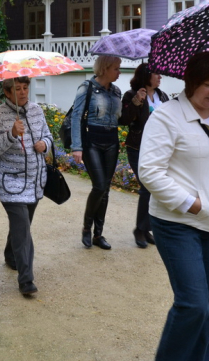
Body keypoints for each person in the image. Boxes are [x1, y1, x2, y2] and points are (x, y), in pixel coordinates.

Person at [138, 51, 209, 361]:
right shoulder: (166, 117)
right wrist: (192, 204)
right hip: (177, 224)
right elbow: (149, 172)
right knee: (193, 305)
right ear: (191, 82)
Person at [0, 77, 53, 296]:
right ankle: (26, 280)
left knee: (21, 227)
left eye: (25, 88)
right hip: (11, 182)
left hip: (35, 180)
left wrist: (45, 145)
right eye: (17, 89)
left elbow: (48, 136)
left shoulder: (36, 110)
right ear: (7, 92)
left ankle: (10, 255)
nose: (23, 92)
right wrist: (11, 134)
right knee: (23, 228)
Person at [71, 55, 122, 250]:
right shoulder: (87, 88)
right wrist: (77, 146)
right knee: (99, 186)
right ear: (105, 68)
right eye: (116, 68)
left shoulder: (116, 91)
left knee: (106, 189)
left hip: (112, 142)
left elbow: (120, 118)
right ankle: (86, 227)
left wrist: (135, 101)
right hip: (92, 141)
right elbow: (76, 116)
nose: (118, 72)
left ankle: (98, 234)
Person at [119, 63, 169, 249]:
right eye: (156, 73)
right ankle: (140, 229)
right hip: (138, 147)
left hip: (159, 148)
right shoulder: (131, 95)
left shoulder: (161, 96)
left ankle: (145, 229)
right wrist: (136, 102)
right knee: (146, 187)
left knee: (154, 188)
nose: (160, 76)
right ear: (147, 75)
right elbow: (123, 120)